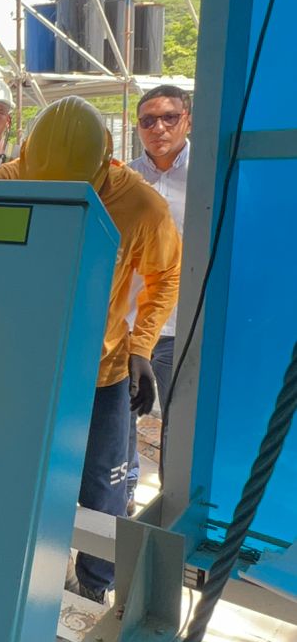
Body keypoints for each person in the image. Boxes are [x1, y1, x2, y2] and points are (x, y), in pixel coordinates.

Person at [0, 97, 181, 603]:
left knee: (103, 488)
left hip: (100, 374)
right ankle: (27, 574)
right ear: (26, 156)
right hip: (22, 369)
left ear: (107, 165)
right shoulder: (6, 186)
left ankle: (94, 590)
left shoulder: (139, 206)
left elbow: (166, 277)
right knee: (20, 476)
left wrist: (141, 347)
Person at [126, 83, 192, 508]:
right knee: (121, 424)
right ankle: (122, 502)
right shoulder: (125, 179)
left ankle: (173, 508)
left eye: (169, 117)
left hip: (187, 324)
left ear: (187, 119)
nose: (159, 128)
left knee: (181, 427)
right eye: (148, 120)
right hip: (133, 327)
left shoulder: (210, 174)